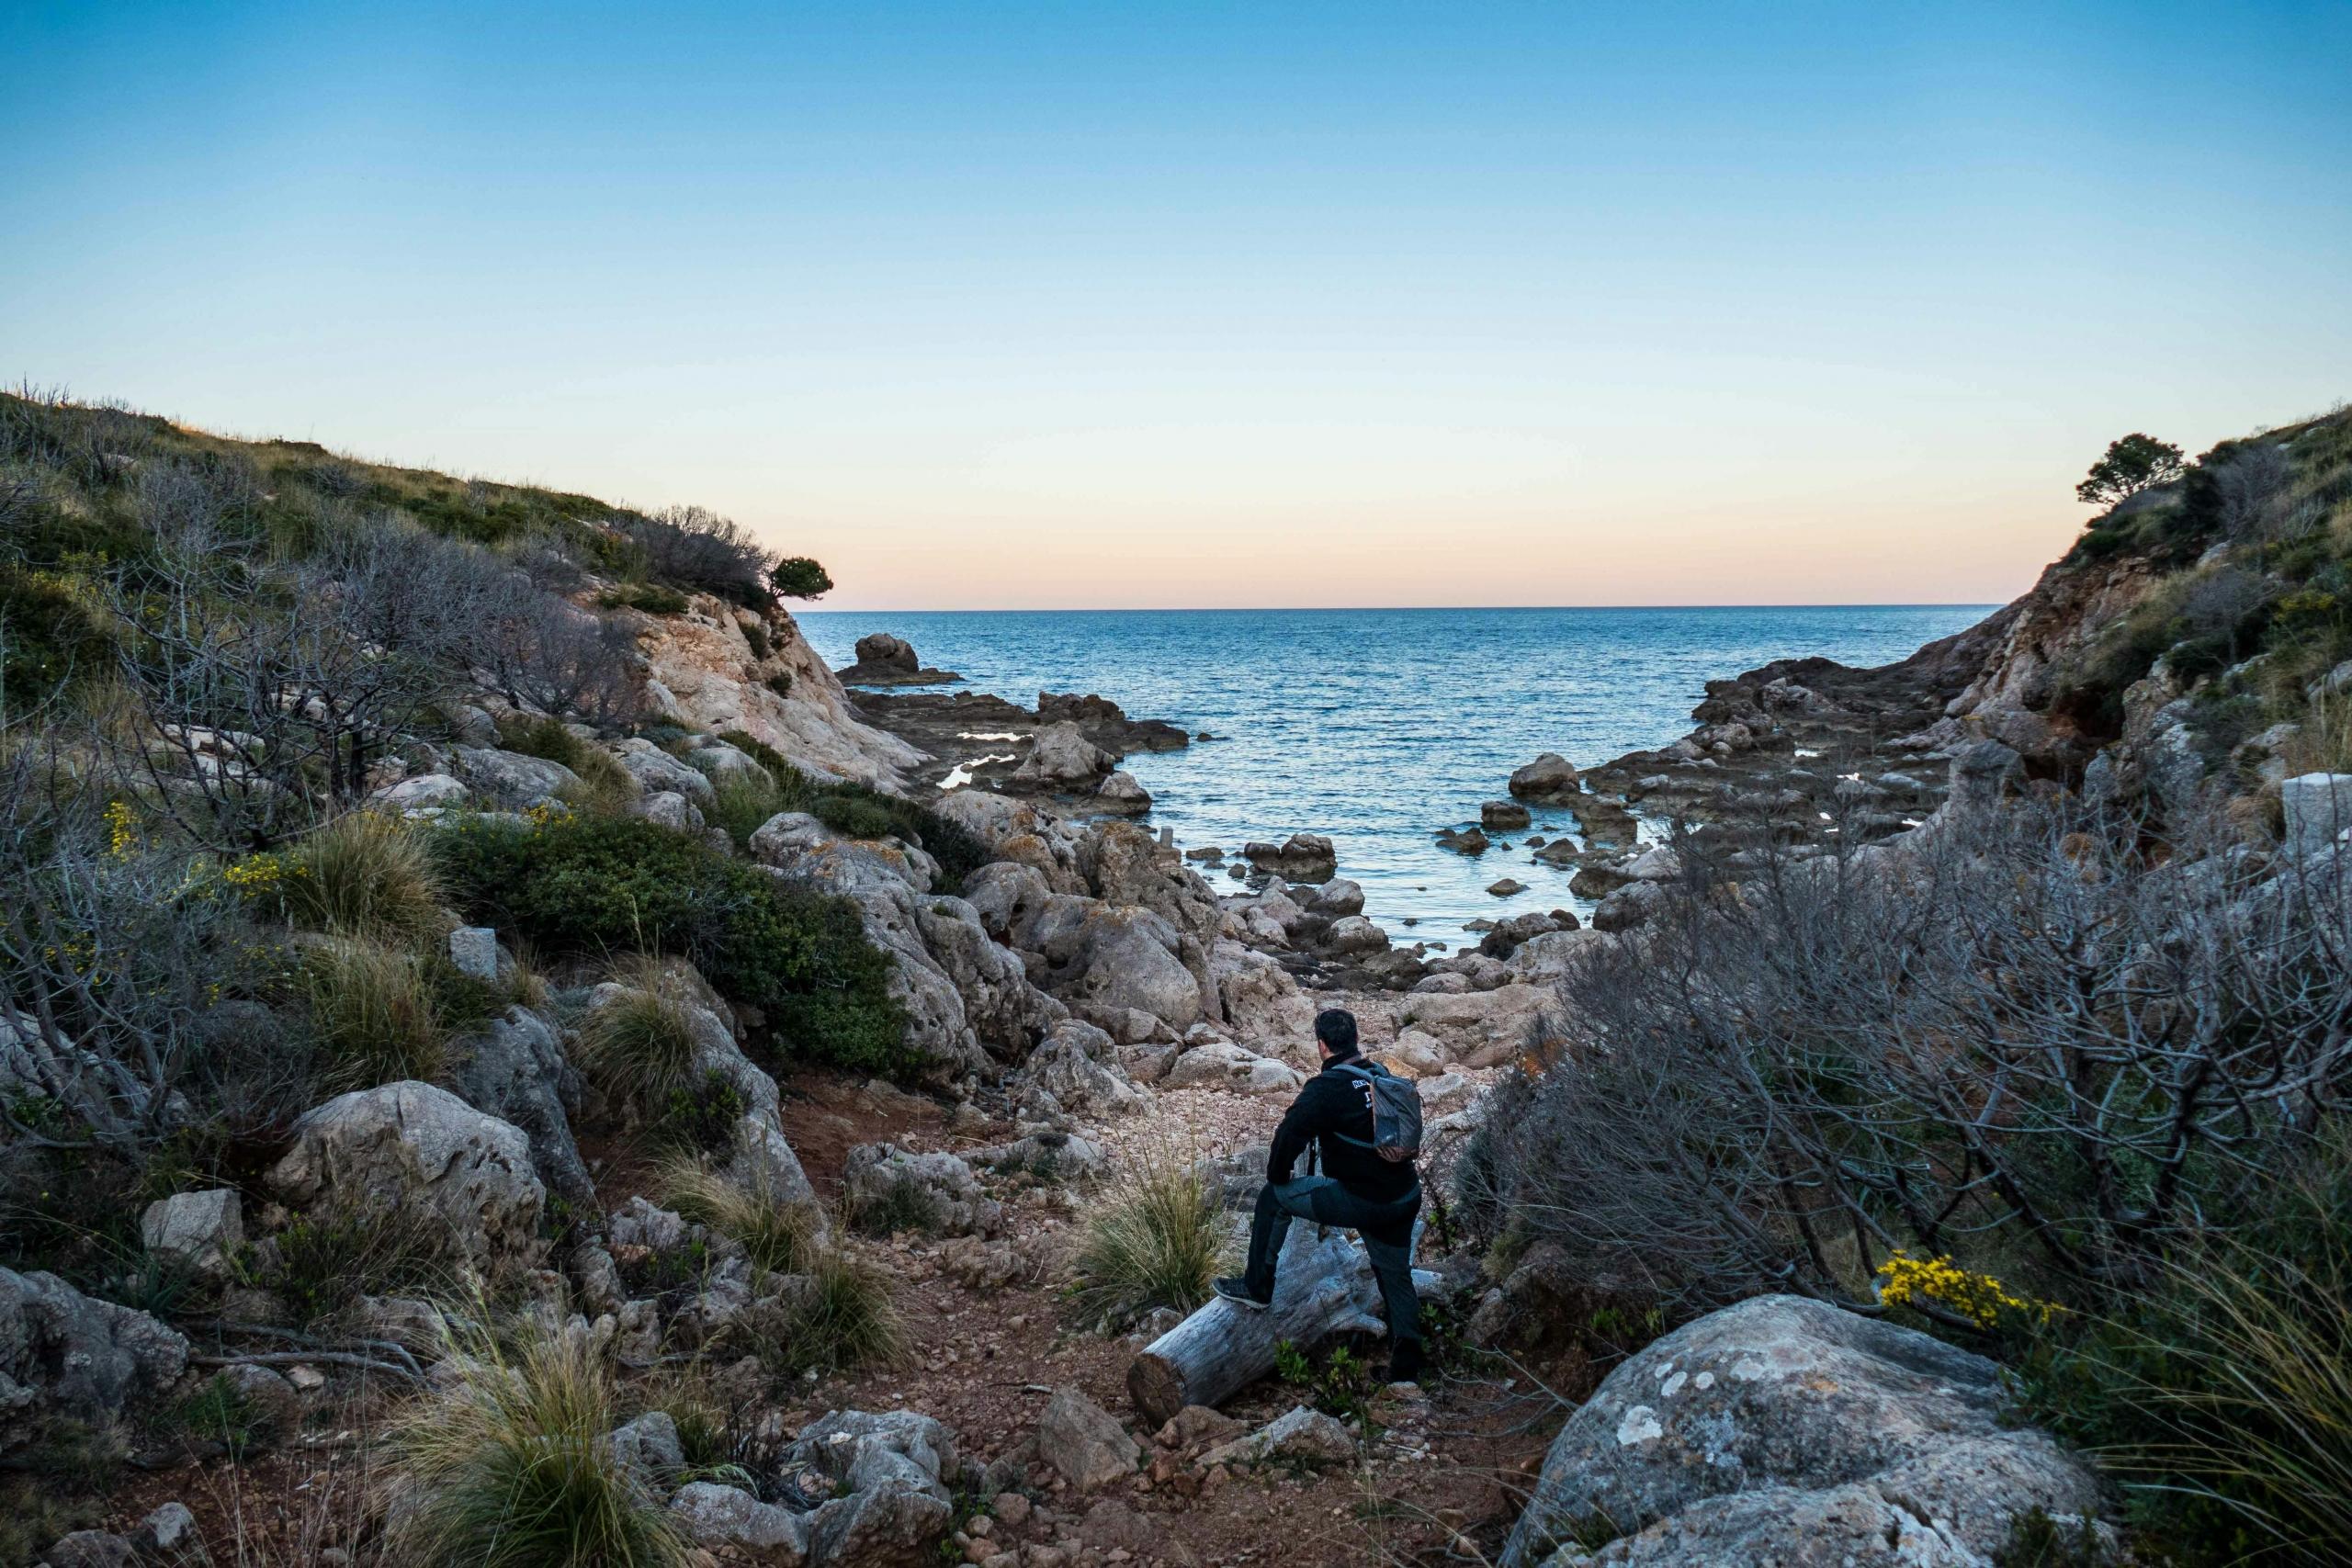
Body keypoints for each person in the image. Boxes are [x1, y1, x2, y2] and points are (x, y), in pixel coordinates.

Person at [1212, 1007, 1424, 1383]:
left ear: (1322, 1046)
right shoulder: (1380, 1075)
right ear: (1355, 1040)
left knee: (1272, 1198)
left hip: (1364, 1200)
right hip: (1404, 1195)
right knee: (1395, 1275)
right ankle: (1407, 1368)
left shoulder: (1325, 1089)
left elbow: (1287, 1137)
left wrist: (1278, 1177)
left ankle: (1257, 1289)